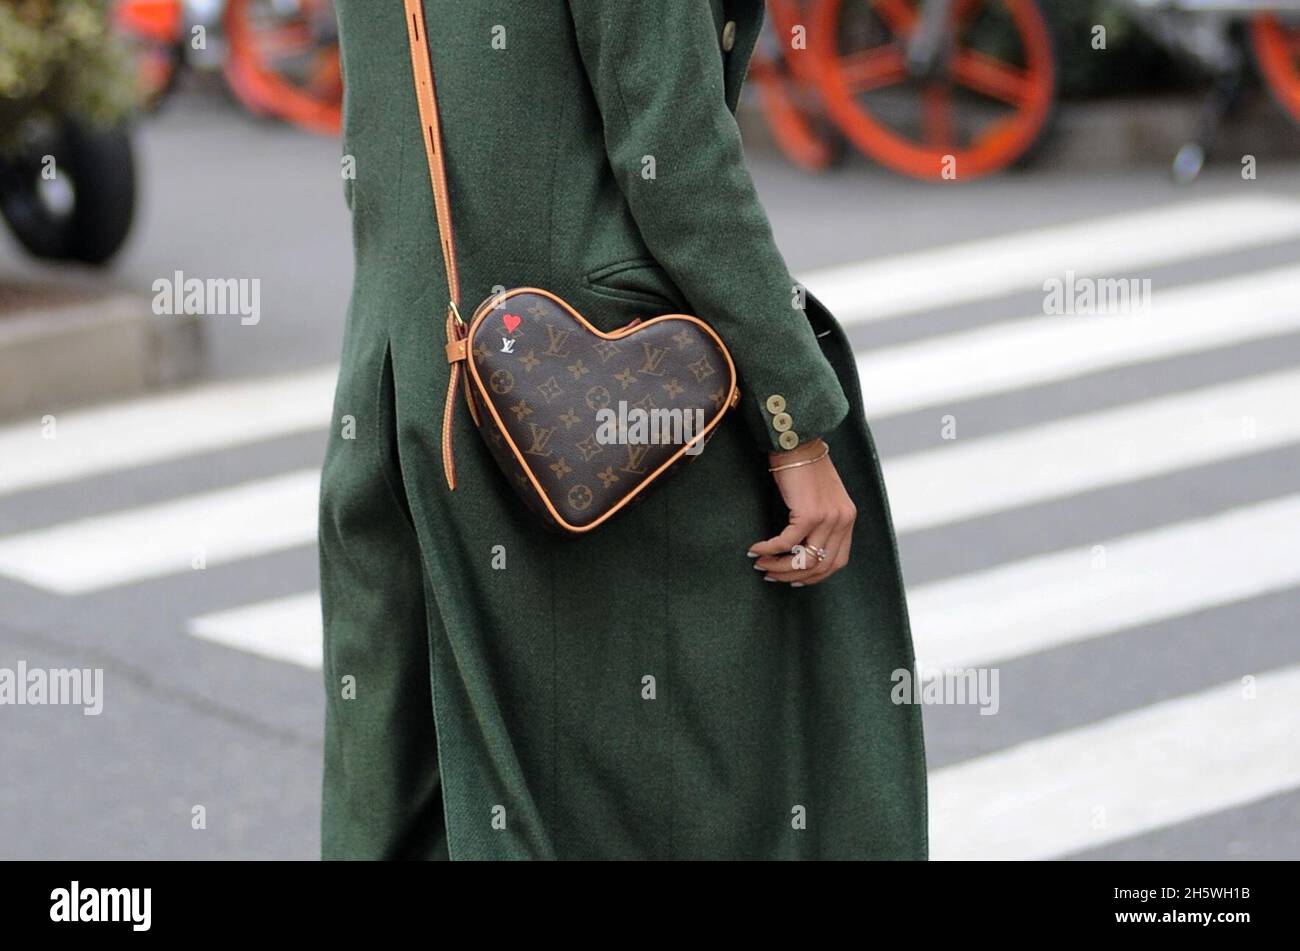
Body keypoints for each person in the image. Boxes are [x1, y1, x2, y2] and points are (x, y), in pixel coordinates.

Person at [319, 0, 927, 860]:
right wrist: (796, 423)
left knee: (437, 795)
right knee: (718, 781)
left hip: (408, 380)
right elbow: (676, 161)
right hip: (578, 404)